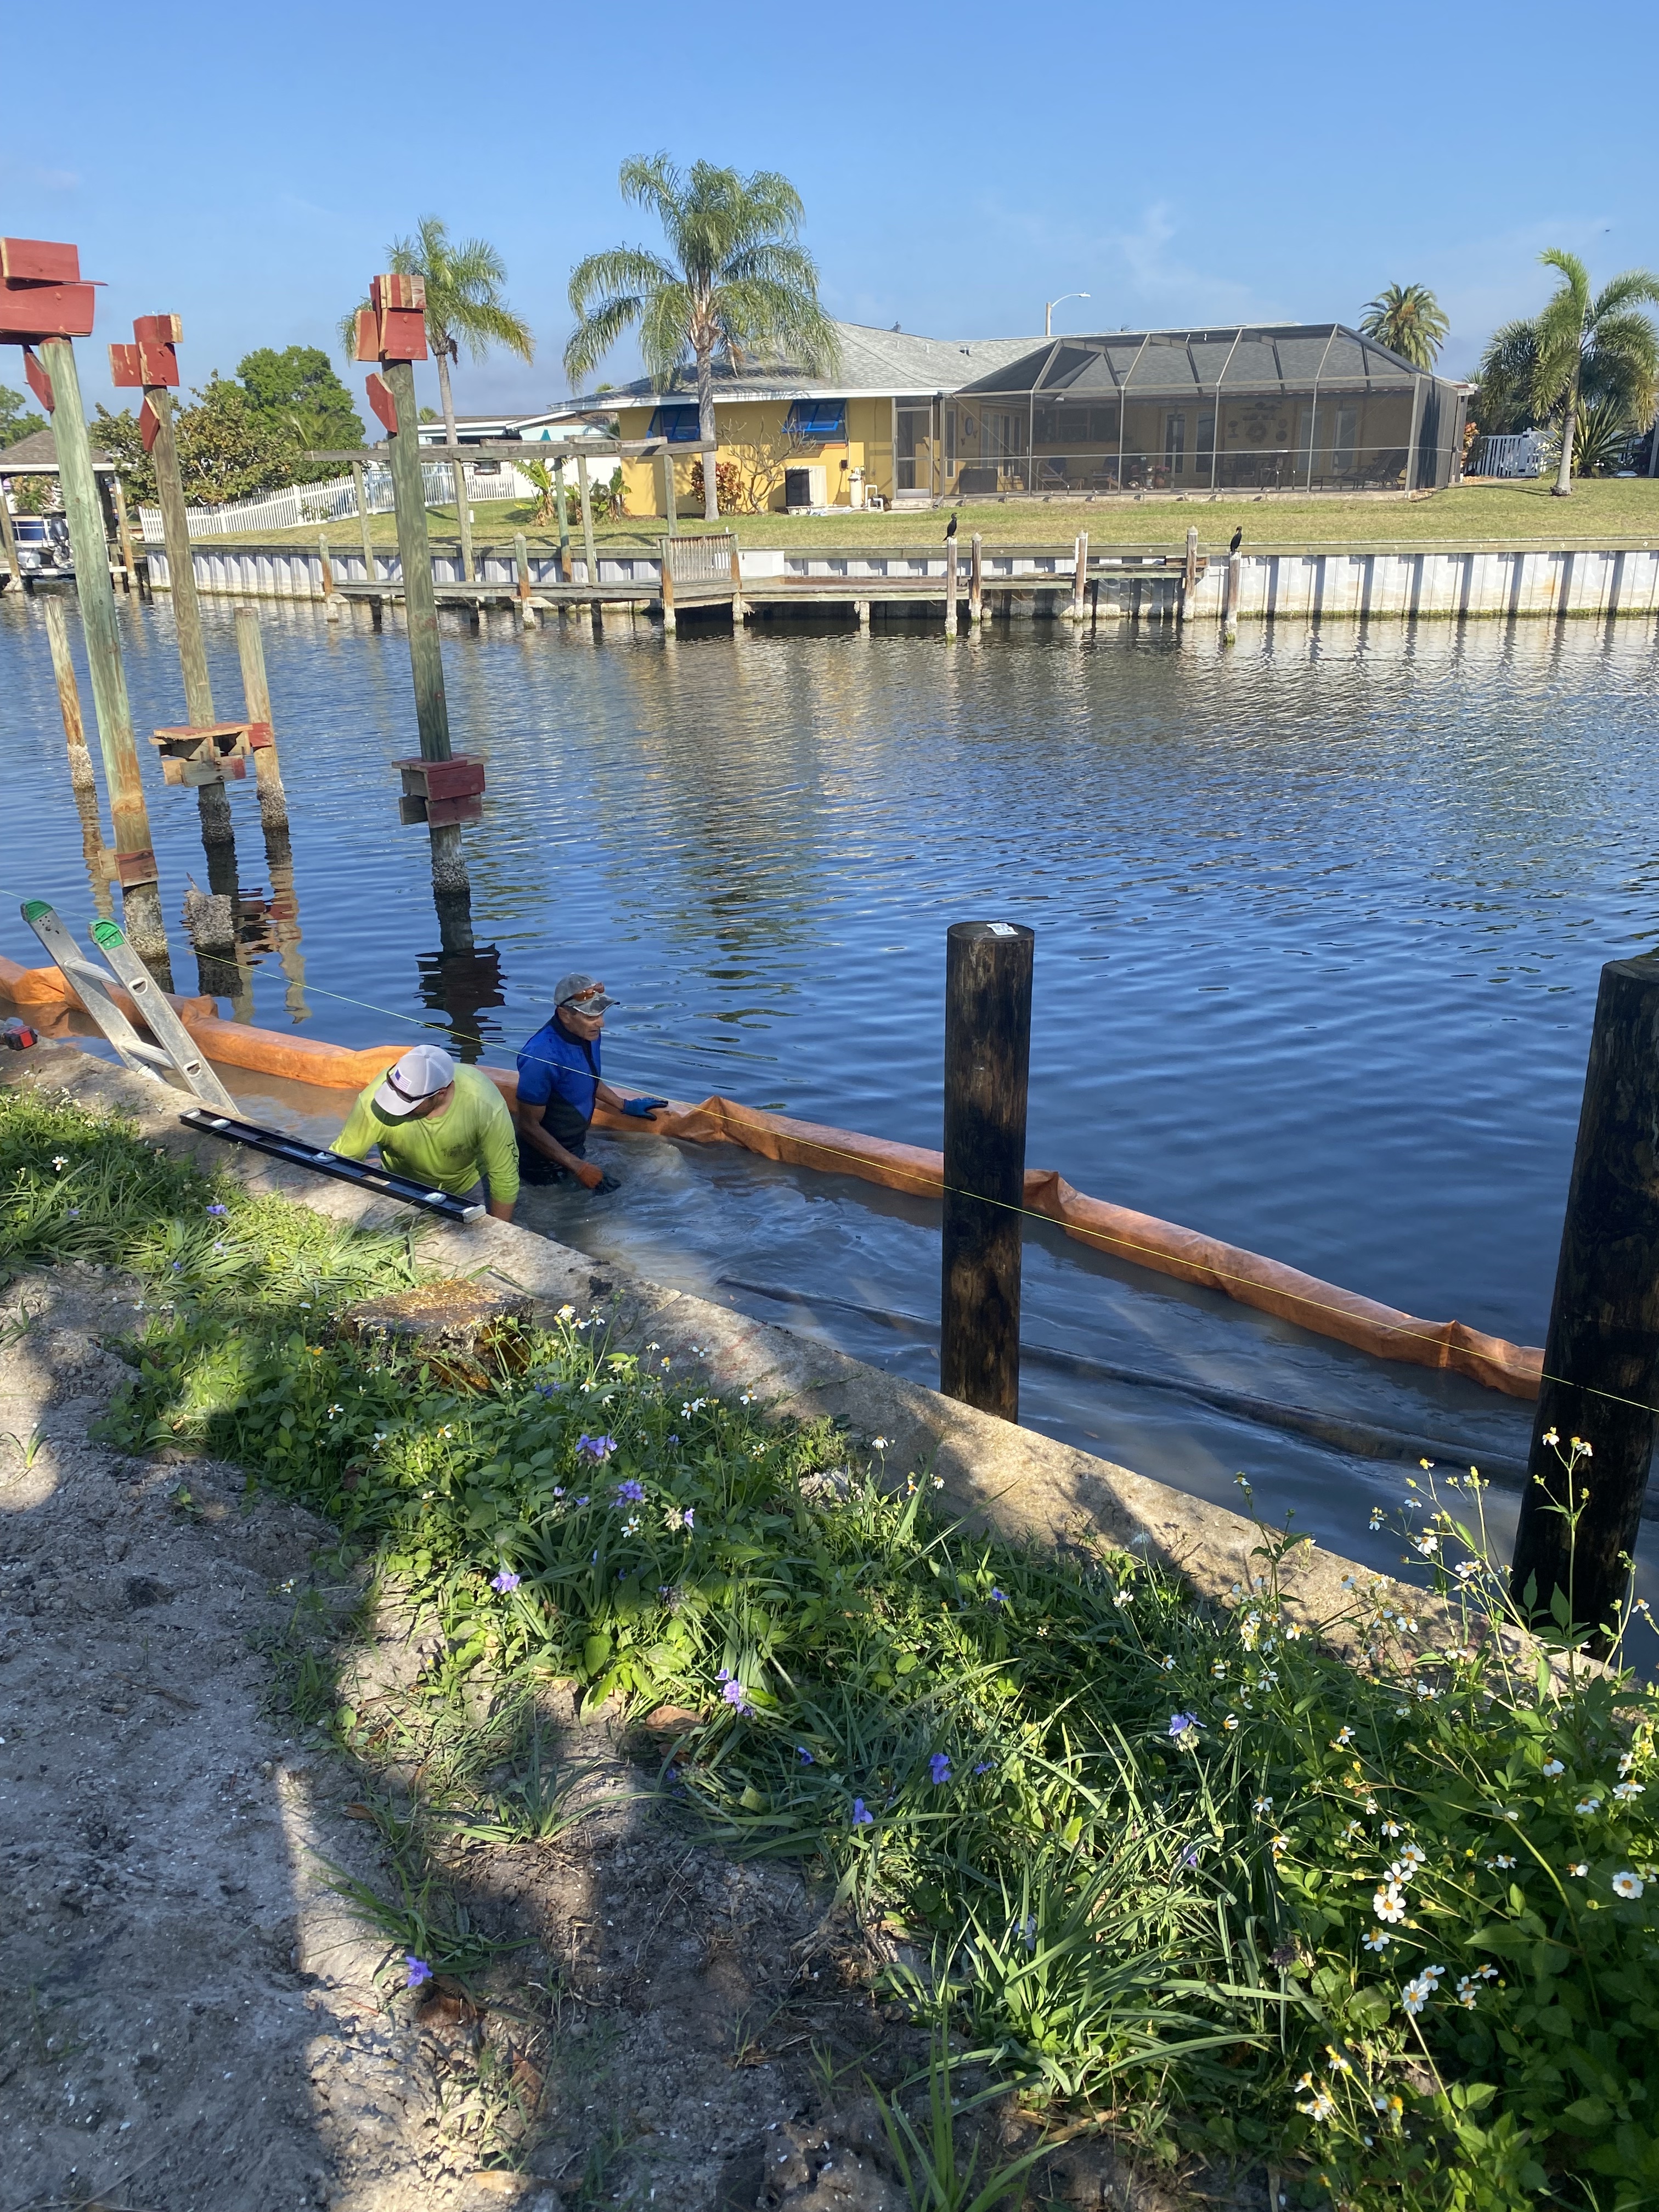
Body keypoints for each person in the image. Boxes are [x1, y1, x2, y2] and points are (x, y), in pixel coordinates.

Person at [331, 1043, 519, 1221]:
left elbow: (505, 1178)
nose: (395, 1107)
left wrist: (498, 1230)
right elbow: (342, 1157)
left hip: (466, 1185)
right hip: (399, 1181)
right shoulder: (375, 1099)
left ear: (441, 1093)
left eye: (409, 1103)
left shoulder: (484, 1103)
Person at [515, 973, 666, 1193]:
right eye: (591, 1016)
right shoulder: (541, 1057)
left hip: (576, 1147)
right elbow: (528, 1127)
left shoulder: (588, 1033)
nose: (601, 1023)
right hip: (541, 1166)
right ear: (565, 1015)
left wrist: (623, 1104)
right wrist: (579, 1168)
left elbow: (585, 1078)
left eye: (602, 1013)